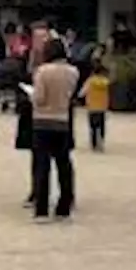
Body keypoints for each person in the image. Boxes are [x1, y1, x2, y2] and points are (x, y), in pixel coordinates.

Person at [30, 39, 78, 223]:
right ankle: (64, 206)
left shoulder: (43, 71)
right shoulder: (73, 72)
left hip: (42, 120)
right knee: (63, 163)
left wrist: (32, 96)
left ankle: (42, 208)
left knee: (42, 165)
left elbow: (40, 98)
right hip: (62, 119)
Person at [18, 21, 51, 208]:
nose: (40, 41)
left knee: (57, 156)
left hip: (51, 112)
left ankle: (63, 194)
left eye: (43, 37)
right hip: (31, 109)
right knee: (36, 154)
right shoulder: (28, 57)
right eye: (36, 37)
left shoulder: (53, 61)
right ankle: (36, 191)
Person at [83, 63, 111, 152]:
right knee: (101, 125)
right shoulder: (105, 82)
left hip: (91, 106)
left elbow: (83, 92)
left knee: (93, 126)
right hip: (102, 107)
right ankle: (101, 142)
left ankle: (94, 144)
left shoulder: (90, 81)